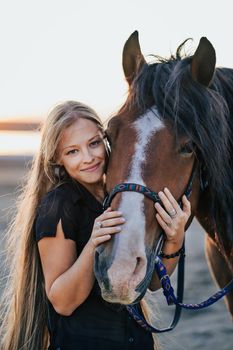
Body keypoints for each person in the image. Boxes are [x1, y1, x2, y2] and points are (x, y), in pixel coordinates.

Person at [0, 101, 191, 350]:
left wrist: (175, 239)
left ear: (107, 140)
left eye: (94, 143)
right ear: (57, 159)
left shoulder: (119, 197)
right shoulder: (60, 205)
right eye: (72, 151)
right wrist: (93, 244)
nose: (88, 158)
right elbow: (62, 302)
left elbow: (152, 282)